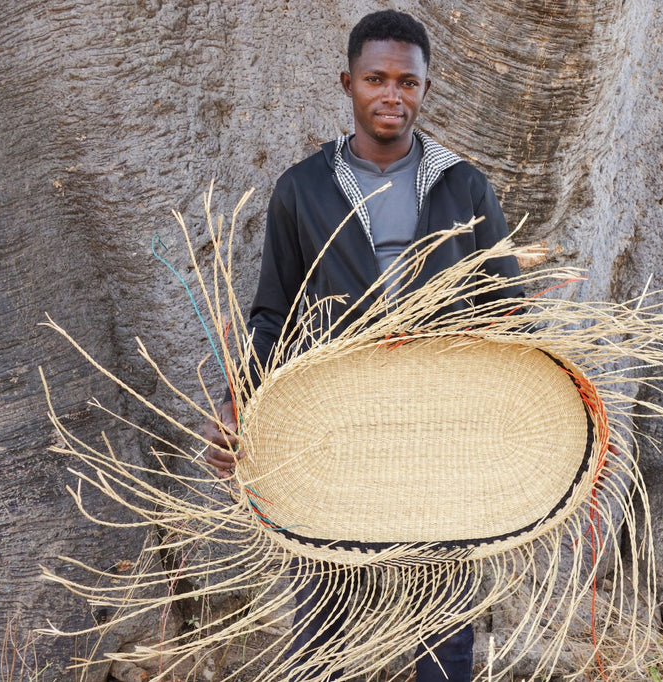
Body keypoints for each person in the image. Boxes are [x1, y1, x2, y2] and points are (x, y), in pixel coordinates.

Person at [202, 9, 523, 680]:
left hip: (438, 430)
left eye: (408, 82)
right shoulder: (302, 189)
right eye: (376, 79)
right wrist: (240, 404)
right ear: (348, 83)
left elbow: (507, 315)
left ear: (426, 88)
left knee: (444, 616)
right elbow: (273, 315)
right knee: (324, 612)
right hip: (333, 431)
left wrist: (524, 418)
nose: (391, 95)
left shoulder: (464, 186)